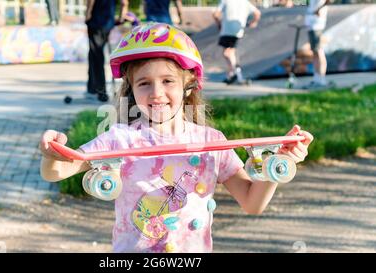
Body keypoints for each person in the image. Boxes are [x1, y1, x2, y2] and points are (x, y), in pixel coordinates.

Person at [39, 23, 313, 253]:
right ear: (131, 90)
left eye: (168, 81)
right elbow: (59, 171)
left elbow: (252, 203)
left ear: (187, 85)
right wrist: (52, 153)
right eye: (144, 83)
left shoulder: (212, 142)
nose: (156, 93)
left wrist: (277, 163)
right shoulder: (119, 139)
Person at [85, 0, 129, 102]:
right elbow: (124, 3)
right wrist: (121, 18)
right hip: (108, 22)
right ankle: (92, 88)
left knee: (96, 55)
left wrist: (88, 14)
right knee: (93, 54)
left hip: (96, 21)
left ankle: (101, 92)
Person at [212, 0, 261, 84]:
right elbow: (257, 13)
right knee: (230, 52)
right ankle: (231, 75)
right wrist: (254, 23)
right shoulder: (245, 2)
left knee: (227, 53)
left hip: (227, 30)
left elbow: (215, 14)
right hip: (238, 31)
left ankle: (238, 75)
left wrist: (219, 24)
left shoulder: (225, 1)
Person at [303, 0, 330, 89]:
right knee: (315, 52)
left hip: (317, 23)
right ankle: (317, 77)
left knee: (319, 51)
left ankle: (322, 78)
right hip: (311, 23)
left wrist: (319, 9)